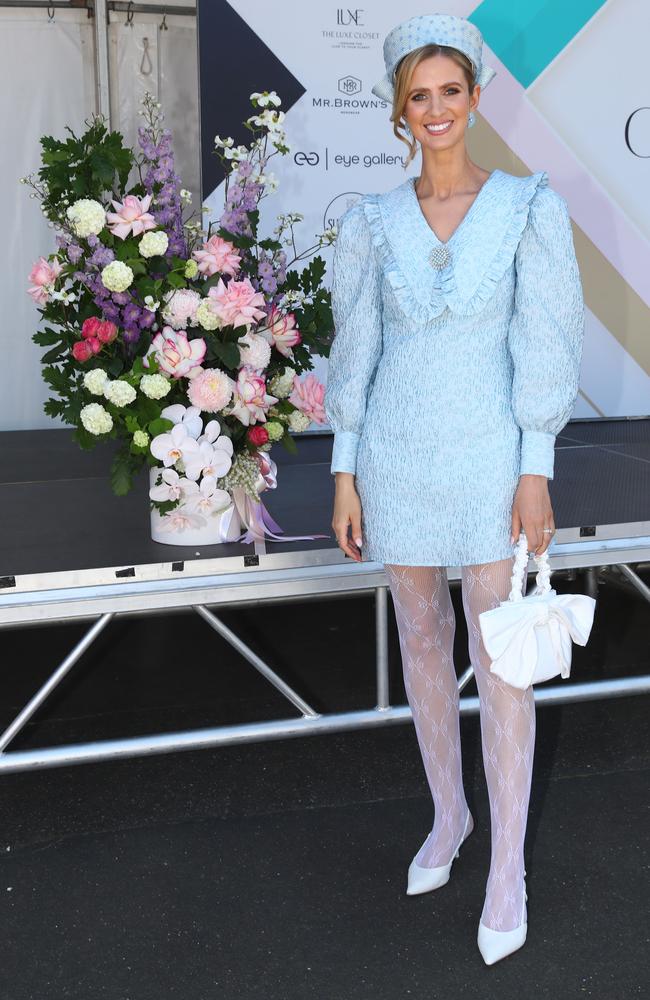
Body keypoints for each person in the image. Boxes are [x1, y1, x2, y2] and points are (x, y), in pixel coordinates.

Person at [323, 13, 585, 966]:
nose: (434, 110)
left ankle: (507, 866)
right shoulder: (370, 220)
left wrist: (536, 471)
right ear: (400, 111)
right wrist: (346, 470)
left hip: (489, 458)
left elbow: (544, 345)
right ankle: (449, 820)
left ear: (474, 99)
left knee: (499, 654)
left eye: (449, 92)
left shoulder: (527, 207)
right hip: (396, 454)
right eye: (416, 96)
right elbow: (355, 351)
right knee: (423, 644)